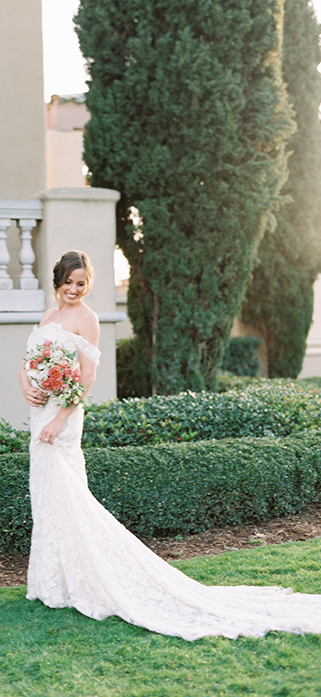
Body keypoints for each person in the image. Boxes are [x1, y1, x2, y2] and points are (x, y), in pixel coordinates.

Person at [20, 250, 321, 641]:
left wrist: (60, 418)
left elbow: (89, 375)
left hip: (62, 418)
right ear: (58, 279)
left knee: (67, 493)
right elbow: (28, 362)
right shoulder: (48, 316)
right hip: (39, 413)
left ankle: (88, 576)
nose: (74, 290)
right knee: (45, 494)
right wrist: (27, 386)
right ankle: (52, 581)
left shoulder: (88, 319)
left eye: (81, 284)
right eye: (69, 282)